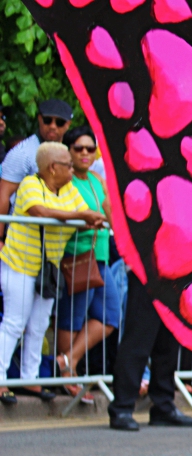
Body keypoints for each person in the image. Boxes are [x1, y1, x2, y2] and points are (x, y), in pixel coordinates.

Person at [0, 142, 103, 405]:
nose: (72, 168)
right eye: (67, 165)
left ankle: (30, 379)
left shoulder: (67, 188)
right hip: (20, 263)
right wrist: (79, 214)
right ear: (53, 168)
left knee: (38, 325)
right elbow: (41, 212)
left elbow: (85, 214)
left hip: (48, 269)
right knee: (14, 322)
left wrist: (83, 215)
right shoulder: (29, 185)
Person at [54, 126, 121, 404]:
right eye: (78, 148)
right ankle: (68, 375)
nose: (84, 153)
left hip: (101, 257)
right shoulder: (65, 180)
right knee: (74, 316)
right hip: (76, 255)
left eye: (90, 149)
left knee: (109, 316)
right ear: (68, 151)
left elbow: (110, 211)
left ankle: (67, 360)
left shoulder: (95, 179)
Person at [107, 275, 192, 430]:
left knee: (168, 343)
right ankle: (122, 406)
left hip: (175, 269)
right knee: (138, 339)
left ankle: (163, 406)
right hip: (147, 267)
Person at [0, 99, 74, 228]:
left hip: (54, 239)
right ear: (39, 119)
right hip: (21, 237)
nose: (52, 126)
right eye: (47, 120)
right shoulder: (23, 153)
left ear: (68, 124)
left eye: (59, 122)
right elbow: (3, 194)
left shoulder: (68, 153)